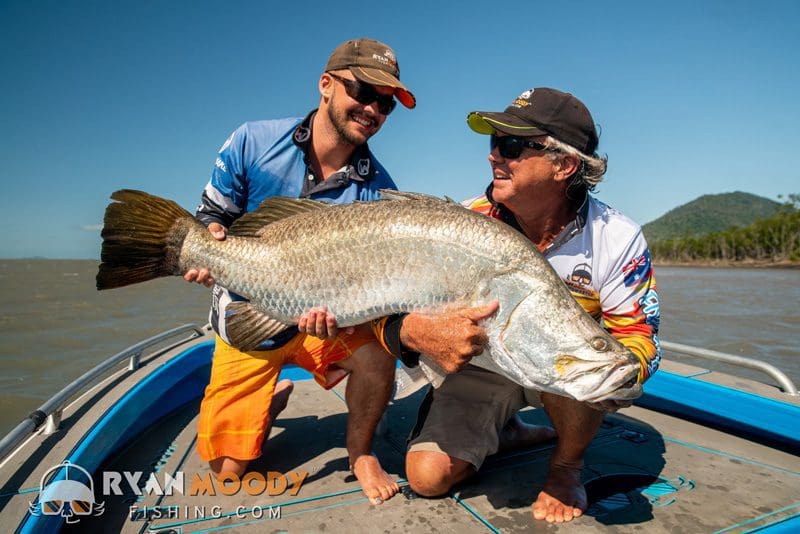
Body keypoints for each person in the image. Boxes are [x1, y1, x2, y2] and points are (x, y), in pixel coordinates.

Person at [304, 87, 661, 523]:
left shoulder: (618, 238)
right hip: (485, 366)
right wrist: (412, 331)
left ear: (564, 165)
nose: (494, 156)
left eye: (511, 145)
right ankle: (505, 427)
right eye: (494, 143)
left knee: (588, 371)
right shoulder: (463, 225)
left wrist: (626, 376)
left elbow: (639, 339)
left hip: (557, 372)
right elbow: (381, 311)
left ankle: (566, 467)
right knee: (426, 478)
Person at [183, 37, 416, 506]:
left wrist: (342, 313)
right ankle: (274, 397)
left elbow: (367, 282)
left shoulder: (381, 190)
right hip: (249, 320)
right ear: (326, 85)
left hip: (321, 324)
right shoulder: (251, 140)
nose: (373, 109)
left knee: (378, 353)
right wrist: (207, 241)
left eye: (386, 103)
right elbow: (213, 213)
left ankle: (361, 453)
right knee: (226, 474)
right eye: (364, 92)